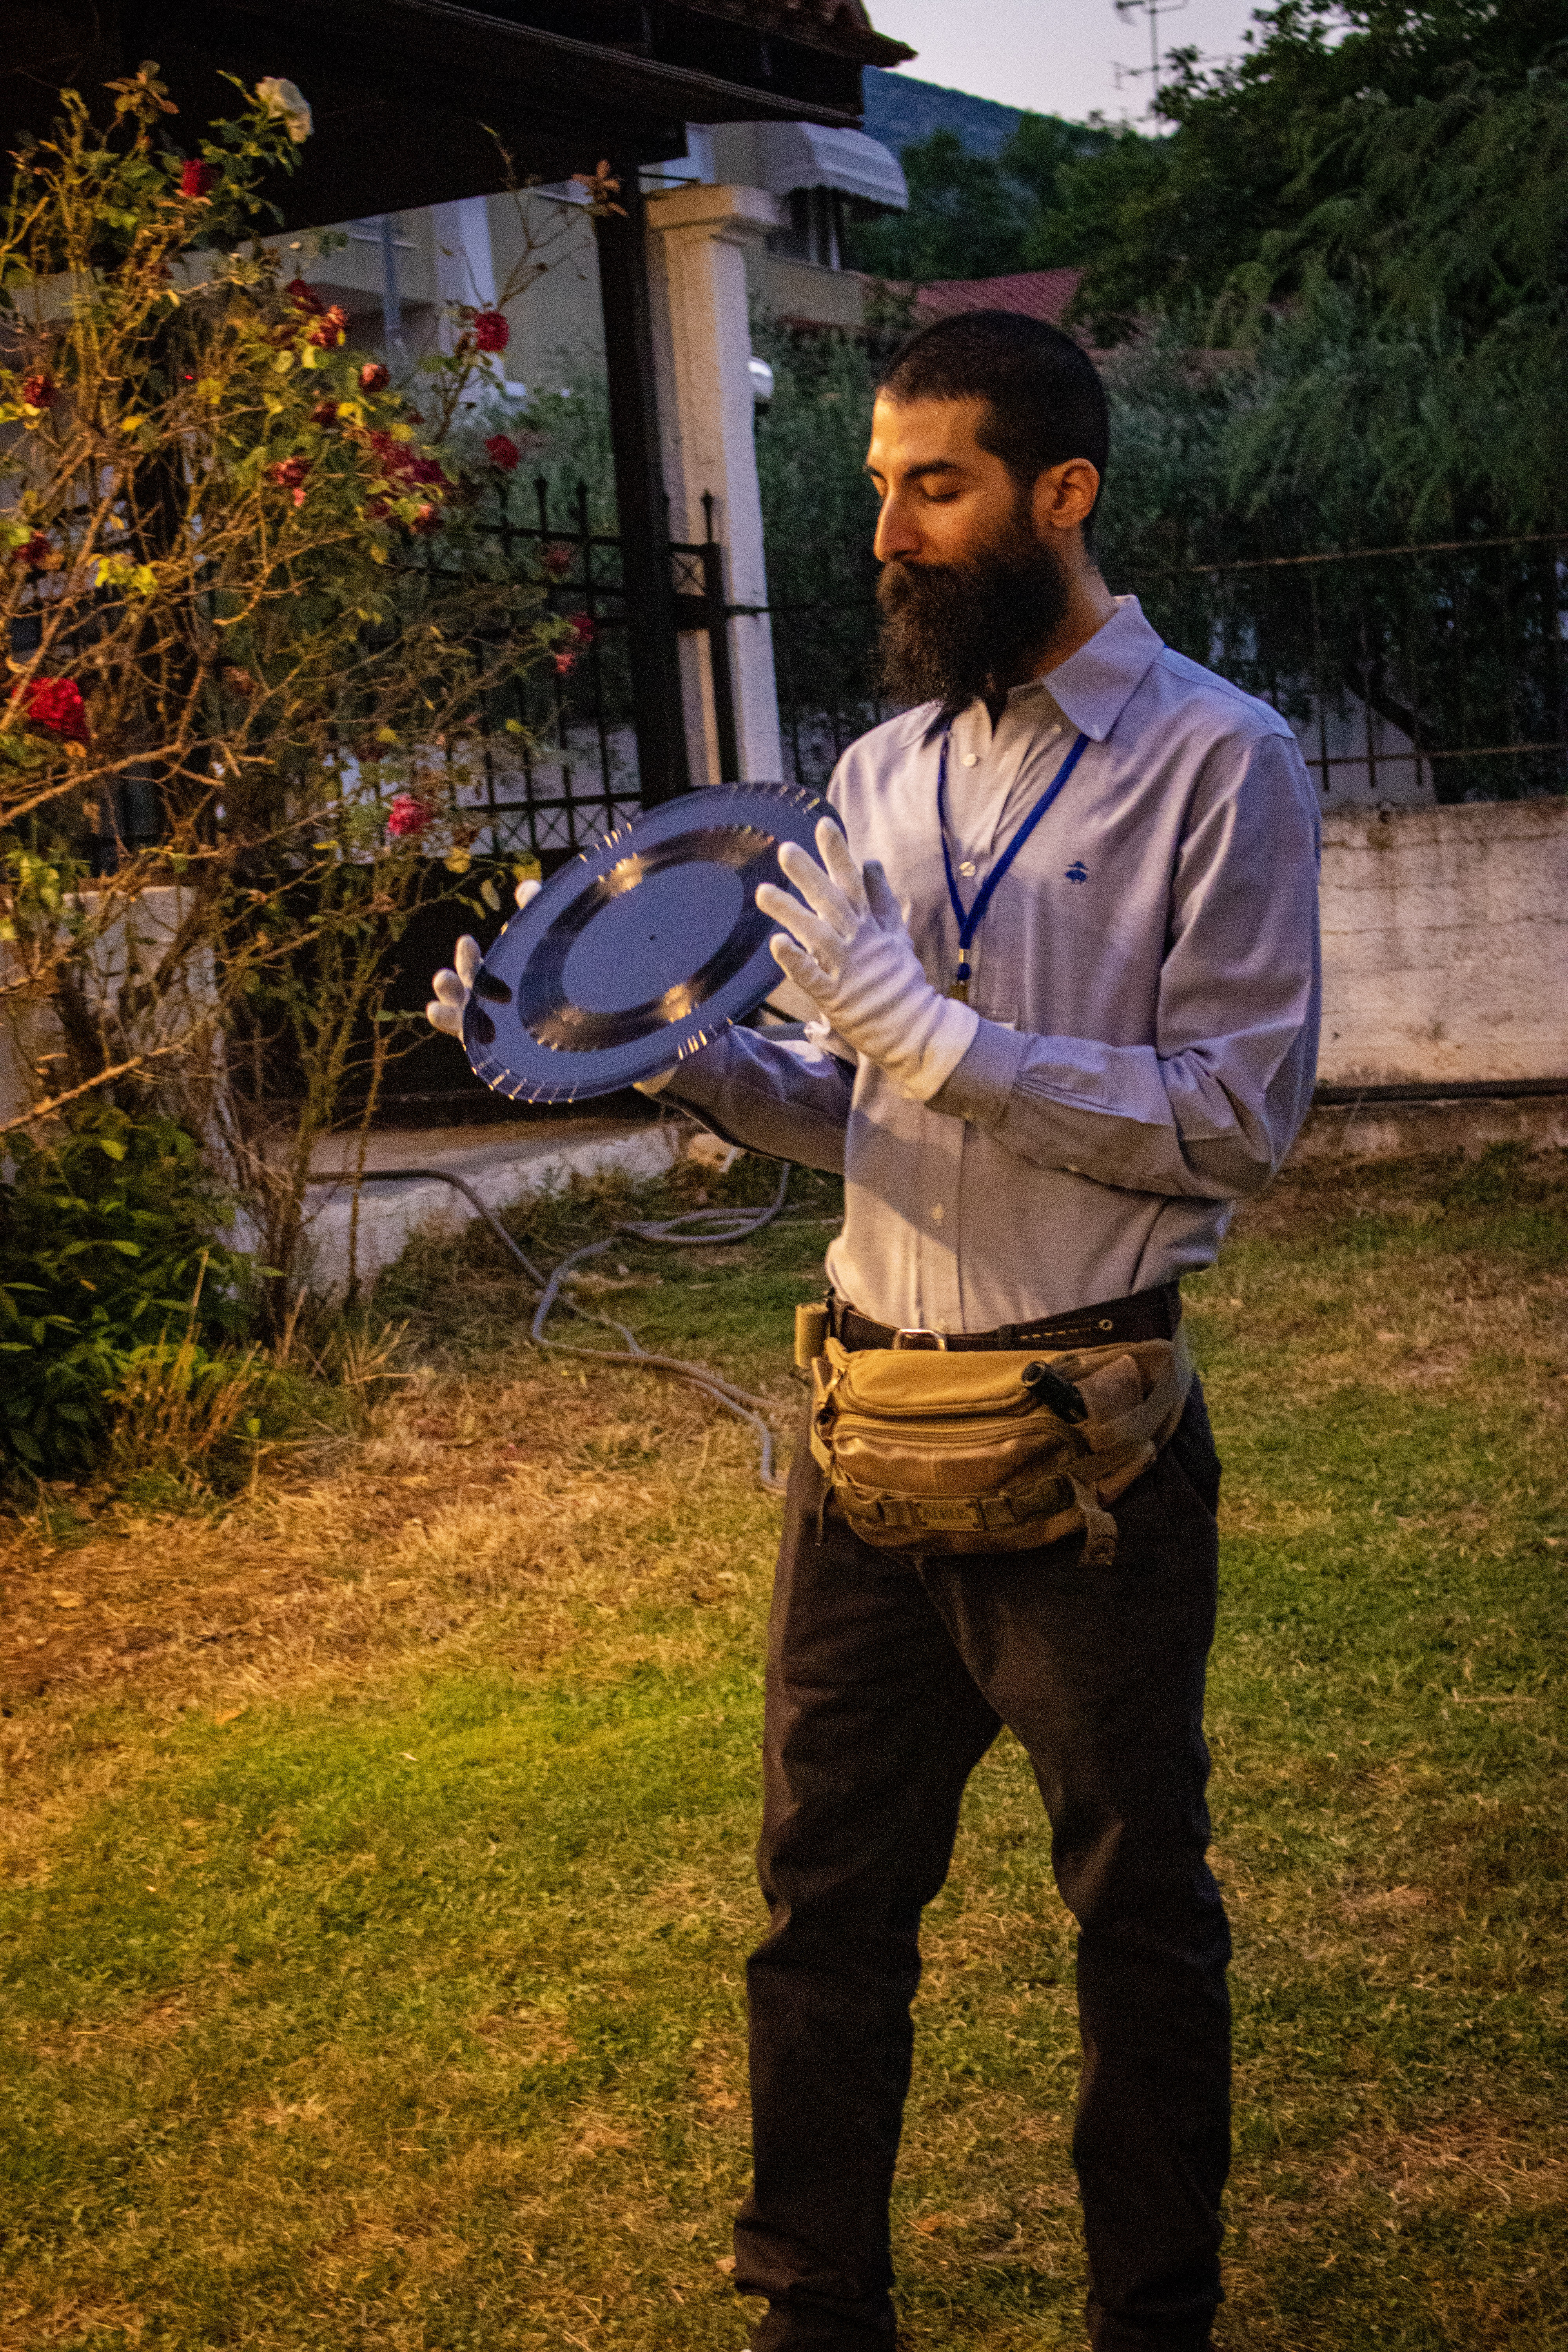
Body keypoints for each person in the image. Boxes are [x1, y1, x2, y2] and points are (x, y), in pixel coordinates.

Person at [428, 312, 1321, 2352]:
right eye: (875, 494)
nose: (892, 536)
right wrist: (651, 1055)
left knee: (1139, 1925)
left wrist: (949, 1035)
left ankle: (1151, 2321)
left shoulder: (1222, 761)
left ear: (1060, 496)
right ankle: (813, 2316)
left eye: (938, 488)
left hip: (1078, 1434)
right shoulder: (880, 773)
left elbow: (1236, 1126)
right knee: (821, 1922)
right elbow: (857, 1113)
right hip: (860, 1440)